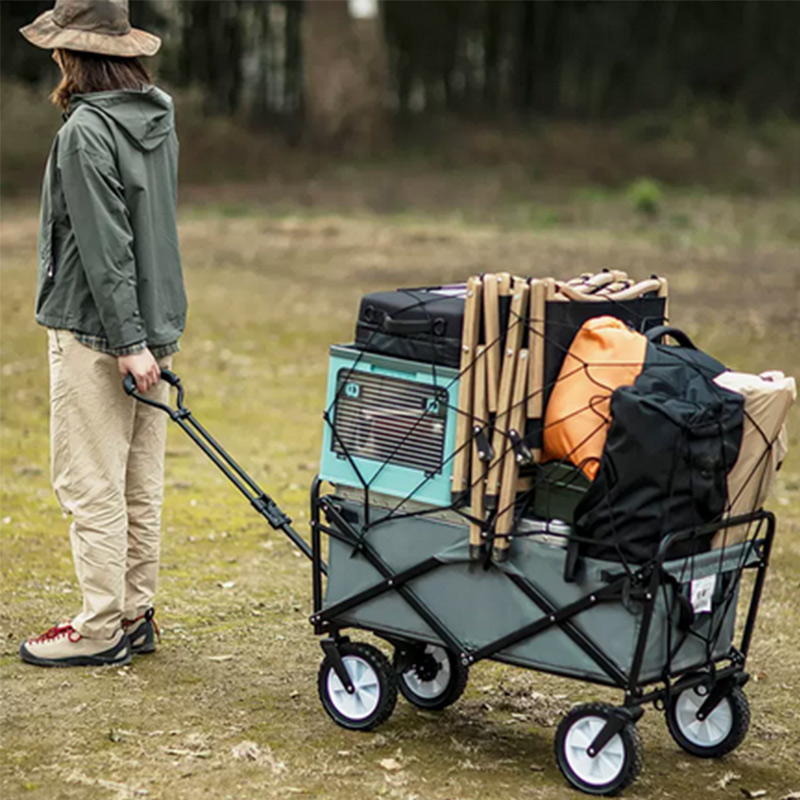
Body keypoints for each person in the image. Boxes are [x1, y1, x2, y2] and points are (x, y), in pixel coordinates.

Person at [18, 0, 187, 667]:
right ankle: (133, 613)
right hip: (153, 326)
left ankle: (97, 631)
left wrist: (126, 344)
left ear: (73, 53)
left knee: (91, 483)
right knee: (138, 481)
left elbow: (105, 246)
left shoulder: (85, 132)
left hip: (101, 333)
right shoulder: (157, 117)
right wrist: (149, 337)